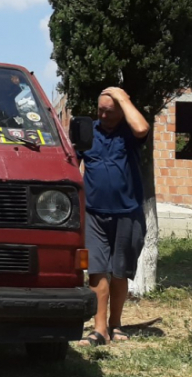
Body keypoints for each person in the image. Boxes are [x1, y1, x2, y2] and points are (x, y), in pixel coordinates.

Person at [77, 87, 150, 347]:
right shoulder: (88, 133)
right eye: (101, 110)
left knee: (120, 273)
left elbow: (143, 128)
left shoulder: (130, 133)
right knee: (97, 272)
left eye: (110, 111)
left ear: (120, 109)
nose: (104, 116)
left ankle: (115, 323)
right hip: (94, 213)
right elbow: (71, 165)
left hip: (127, 213)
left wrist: (122, 97)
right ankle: (99, 330)